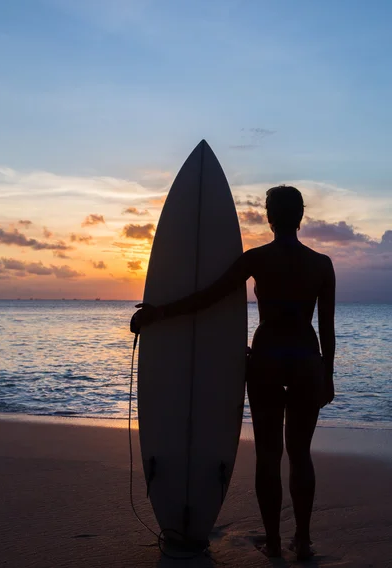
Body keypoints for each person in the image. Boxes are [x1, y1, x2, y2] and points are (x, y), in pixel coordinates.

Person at [131, 185, 335, 561]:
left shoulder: (256, 259)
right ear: (301, 217)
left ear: (270, 217)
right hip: (308, 360)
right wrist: (330, 375)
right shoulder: (322, 265)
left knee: (269, 455)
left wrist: (159, 313)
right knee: (301, 454)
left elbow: (207, 298)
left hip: (267, 361)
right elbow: (327, 327)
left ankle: (274, 543)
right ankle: (302, 542)